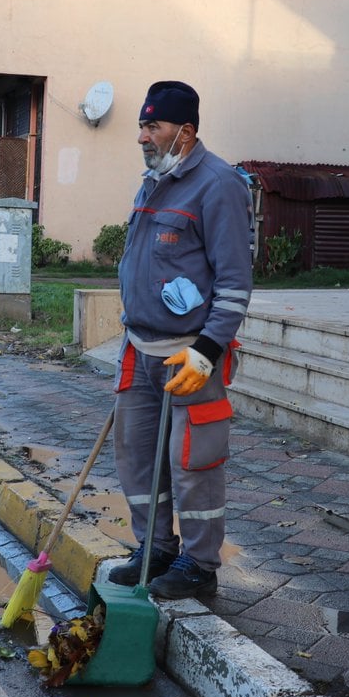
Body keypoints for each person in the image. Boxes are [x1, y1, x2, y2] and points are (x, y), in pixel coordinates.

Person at [108, 80, 254, 599]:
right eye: (142, 126)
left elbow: (235, 283)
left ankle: (198, 563)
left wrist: (208, 351)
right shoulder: (153, 181)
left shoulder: (219, 186)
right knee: (138, 459)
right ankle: (155, 550)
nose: (143, 137)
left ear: (185, 132)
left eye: (154, 127)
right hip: (140, 350)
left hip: (190, 355)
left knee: (193, 464)